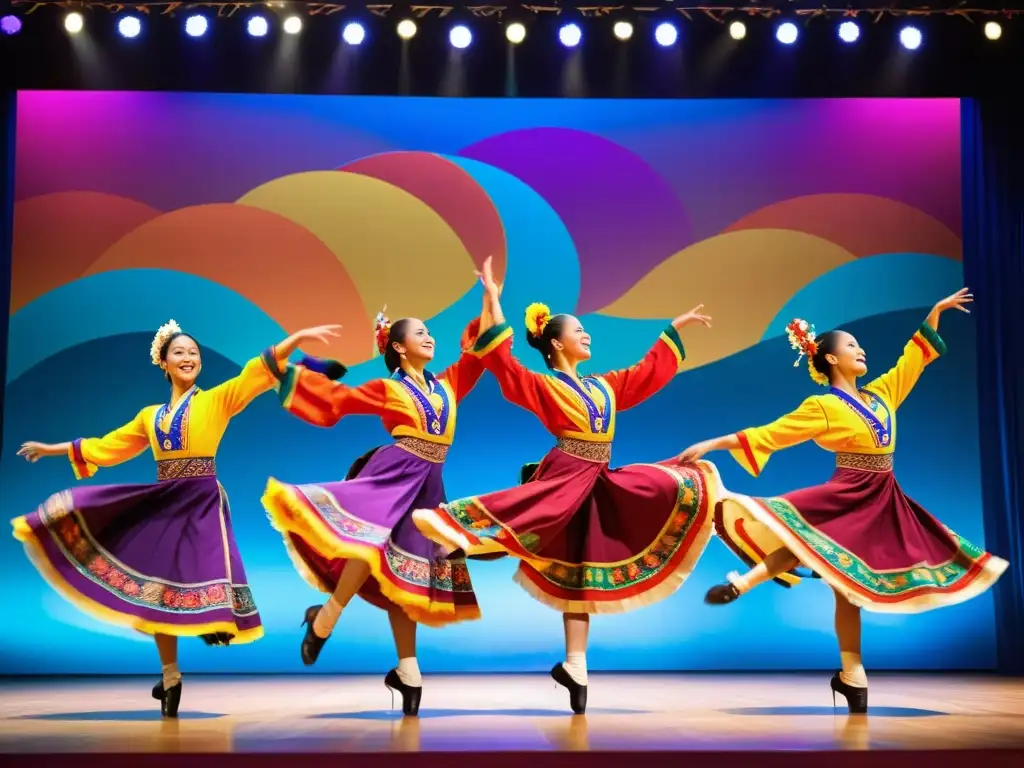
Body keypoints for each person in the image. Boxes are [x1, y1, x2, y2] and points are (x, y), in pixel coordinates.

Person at [412, 261, 723, 714]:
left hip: (597, 481)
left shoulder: (606, 386)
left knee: (582, 567)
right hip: (567, 474)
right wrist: (492, 299)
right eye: (579, 330)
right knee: (523, 516)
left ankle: (575, 665)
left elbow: (644, 374)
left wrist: (672, 332)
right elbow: (502, 362)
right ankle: (456, 537)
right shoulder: (543, 385)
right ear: (557, 343)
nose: (587, 335)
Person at [677, 288, 1008, 713]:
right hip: (849, 492)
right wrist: (713, 443)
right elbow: (772, 433)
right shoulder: (823, 405)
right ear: (831, 358)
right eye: (851, 345)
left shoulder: (882, 394)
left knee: (843, 584)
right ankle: (749, 588)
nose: (861, 348)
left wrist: (935, 313)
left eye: (859, 344)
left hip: (884, 497)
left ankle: (851, 676)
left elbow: (912, 359)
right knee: (807, 546)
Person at [13, 319, 342, 717]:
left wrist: (297, 341)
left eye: (194, 354)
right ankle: (170, 678)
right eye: (180, 353)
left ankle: (214, 623)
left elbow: (255, 373)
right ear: (164, 363)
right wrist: (53, 449)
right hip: (164, 499)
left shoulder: (217, 399)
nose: (188, 358)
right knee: (158, 589)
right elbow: (109, 445)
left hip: (201, 499)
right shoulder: (150, 416)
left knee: (201, 574)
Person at [261, 260, 499, 717]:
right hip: (395, 474)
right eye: (420, 333)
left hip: (430, 485)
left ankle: (407, 671)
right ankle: (328, 617)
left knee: (405, 576)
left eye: (431, 333)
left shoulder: (447, 384)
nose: (430, 337)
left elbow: (477, 355)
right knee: (371, 548)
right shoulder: (386, 390)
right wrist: (283, 371)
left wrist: (490, 298)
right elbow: (335, 399)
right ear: (398, 347)